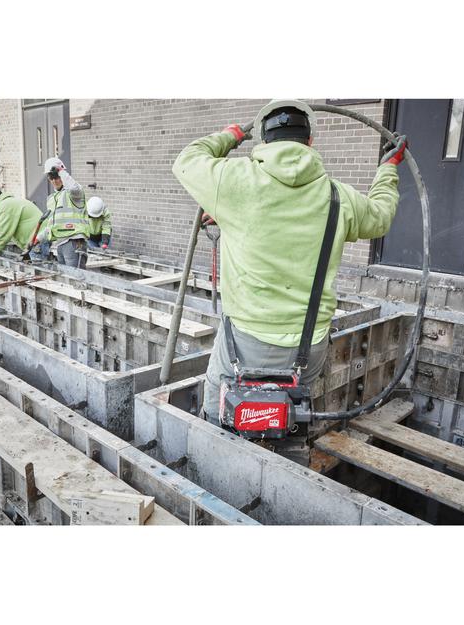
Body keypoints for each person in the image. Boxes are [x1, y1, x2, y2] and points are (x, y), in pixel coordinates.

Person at [172, 99, 407, 426]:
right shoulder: (339, 197)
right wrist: (388, 169)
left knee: (219, 413)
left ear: (263, 140)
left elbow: (187, 160)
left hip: (246, 343)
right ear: (310, 141)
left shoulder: (234, 180)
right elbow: (380, 216)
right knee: (289, 414)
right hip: (309, 347)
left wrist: (230, 135)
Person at [36, 157, 89, 268]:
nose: (54, 181)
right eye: (51, 177)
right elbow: (51, 226)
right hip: (59, 244)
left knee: (76, 277)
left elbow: (74, 188)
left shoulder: (73, 194)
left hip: (74, 242)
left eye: (56, 177)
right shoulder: (52, 199)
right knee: (65, 277)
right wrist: (38, 238)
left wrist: (60, 171)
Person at [0, 187, 50, 261]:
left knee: (39, 267)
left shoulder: (5, 205)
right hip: (41, 236)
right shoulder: (11, 201)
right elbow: (10, 231)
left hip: (37, 239)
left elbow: (4, 230)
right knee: (41, 266)